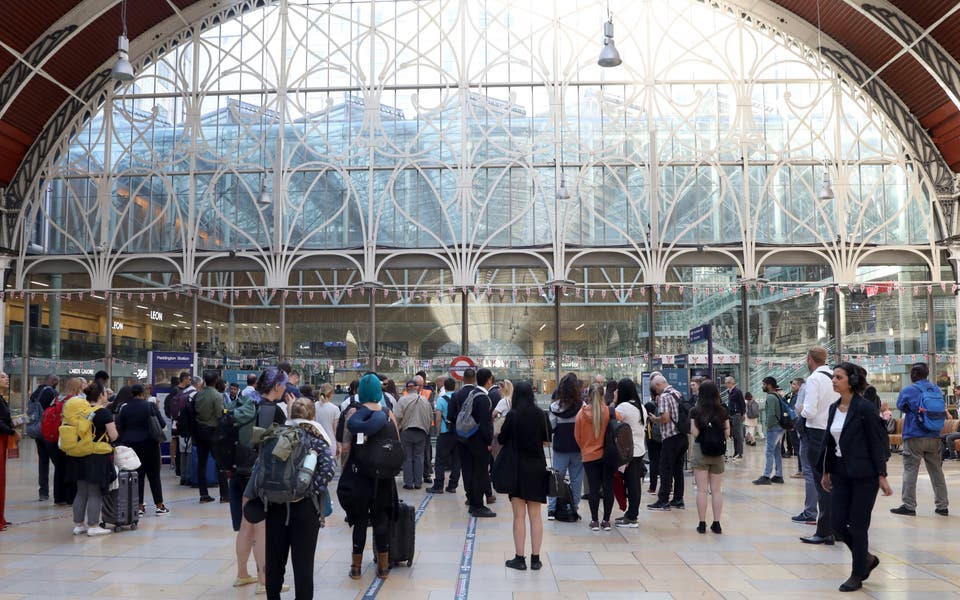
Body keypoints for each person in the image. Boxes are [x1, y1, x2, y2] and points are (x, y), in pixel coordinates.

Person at [821, 362, 893, 592]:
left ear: (851, 381)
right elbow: (830, 442)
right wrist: (826, 471)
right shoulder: (833, 408)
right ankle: (867, 559)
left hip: (864, 475)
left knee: (859, 526)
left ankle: (856, 574)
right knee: (838, 523)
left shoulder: (864, 408)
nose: (833, 380)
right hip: (841, 472)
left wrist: (881, 475)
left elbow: (876, 442)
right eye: (833, 376)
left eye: (838, 377)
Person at [260, 397, 333, 600]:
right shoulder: (316, 438)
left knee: (275, 563)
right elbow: (328, 470)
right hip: (305, 509)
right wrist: (307, 490)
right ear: (312, 415)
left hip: (275, 506)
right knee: (303, 566)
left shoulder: (276, 436)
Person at [230, 367, 288, 592]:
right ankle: (265, 581)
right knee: (263, 528)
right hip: (260, 474)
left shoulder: (248, 403)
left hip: (238, 470)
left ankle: (242, 574)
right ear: (276, 386)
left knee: (246, 525)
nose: (284, 389)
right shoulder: (274, 410)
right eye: (282, 384)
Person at [339, 373, 400, 580]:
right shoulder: (388, 412)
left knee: (360, 520)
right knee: (381, 518)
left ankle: (356, 567)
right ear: (378, 391)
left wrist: (344, 471)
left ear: (360, 392)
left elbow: (345, 447)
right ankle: (383, 567)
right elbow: (397, 443)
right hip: (383, 477)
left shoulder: (353, 413)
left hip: (359, 476)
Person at [498, 381, 550, 570]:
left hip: (517, 468)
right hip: (537, 468)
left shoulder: (513, 415)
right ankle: (536, 559)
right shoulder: (540, 414)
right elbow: (547, 441)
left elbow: (501, 439)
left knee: (518, 516)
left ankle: (519, 559)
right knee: (535, 516)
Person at [891, 362, 949, 516]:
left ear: (914, 375)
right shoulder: (936, 389)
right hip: (934, 436)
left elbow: (900, 406)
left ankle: (909, 506)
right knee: (937, 471)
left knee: (911, 470)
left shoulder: (909, 390)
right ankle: (942, 506)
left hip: (914, 436)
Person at [66, 382, 118, 537]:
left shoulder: (81, 410)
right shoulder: (103, 412)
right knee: (95, 492)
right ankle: (94, 525)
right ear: (102, 395)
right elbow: (114, 435)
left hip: (78, 454)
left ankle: (78, 525)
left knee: (81, 492)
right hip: (97, 456)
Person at [800, 346, 839, 545]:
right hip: (836, 433)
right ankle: (838, 528)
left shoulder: (814, 379)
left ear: (810, 360)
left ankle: (824, 531)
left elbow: (809, 411)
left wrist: (800, 412)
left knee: (821, 482)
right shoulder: (835, 376)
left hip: (817, 434)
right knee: (834, 482)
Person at [115, 383, 169, 516]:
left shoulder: (125, 408)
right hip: (150, 444)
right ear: (143, 393)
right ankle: (159, 505)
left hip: (131, 447)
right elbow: (161, 424)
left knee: (136, 476)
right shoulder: (150, 406)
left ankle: (139, 506)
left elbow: (120, 427)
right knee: (154, 475)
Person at [453, 368, 497, 517]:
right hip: (478, 442)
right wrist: (488, 442)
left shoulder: (471, 394)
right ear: (489, 380)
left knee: (469, 472)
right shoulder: (483, 398)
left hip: (465, 439)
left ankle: (472, 502)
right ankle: (478, 505)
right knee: (480, 472)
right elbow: (485, 424)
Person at [575, 383, 619, 531]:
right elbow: (620, 425)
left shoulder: (581, 414)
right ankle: (606, 521)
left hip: (589, 456)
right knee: (608, 487)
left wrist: (586, 448)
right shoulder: (609, 411)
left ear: (588, 395)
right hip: (608, 455)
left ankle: (594, 521)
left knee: (593, 488)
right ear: (603, 395)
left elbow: (578, 437)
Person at [689, 380, 729, 534]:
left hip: (701, 452)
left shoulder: (695, 411)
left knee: (702, 490)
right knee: (717, 490)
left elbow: (695, 433)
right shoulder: (722, 411)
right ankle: (717, 523)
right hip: (718, 453)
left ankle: (701, 523)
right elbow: (727, 433)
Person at [648, 374, 688, 511]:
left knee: (665, 468)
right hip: (682, 436)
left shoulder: (665, 396)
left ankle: (663, 500)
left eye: (655, 389)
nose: (656, 392)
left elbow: (665, 418)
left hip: (670, 438)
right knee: (678, 469)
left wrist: (655, 419)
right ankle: (678, 499)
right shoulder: (677, 393)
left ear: (659, 385)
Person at [547, 373, 584, 520]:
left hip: (560, 448)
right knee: (576, 479)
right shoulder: (583, 407)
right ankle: (573, 507)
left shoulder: (555, 407)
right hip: (578, 448)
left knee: (556, 478)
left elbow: (551, 426)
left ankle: (552, 509)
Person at [613, 378, 647, 528]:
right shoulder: (641, 406)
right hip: (639, 449)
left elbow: (611, 418)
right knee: (634, 483)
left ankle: (632, 517)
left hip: (628, 452)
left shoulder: (624, 407)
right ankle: (631, 514)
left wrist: (614, 401)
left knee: (631, 484)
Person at [193, 371, 228, 503]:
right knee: (220, 463)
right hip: (213, 431)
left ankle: (203, 495)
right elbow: (220, 415)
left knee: (201, 464)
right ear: (216, 381)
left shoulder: (198, 394)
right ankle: (224, 494)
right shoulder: (217, 396)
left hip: (199, 431)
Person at [396, 379, 433, 489]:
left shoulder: (402, 400)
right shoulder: (424, 401)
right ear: (417, 388)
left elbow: (397, 417)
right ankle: (418, 483)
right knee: (419, 457)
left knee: (407, 457)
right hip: (421, 431)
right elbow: (430, 417)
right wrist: (426, 430)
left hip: (407, 431)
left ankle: (409, 483)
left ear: (407, 388)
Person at [28, 374, 59, 501]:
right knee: (58, 461)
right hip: (48, 431)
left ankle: (43, 492)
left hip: (37, 430)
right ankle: (60, 491)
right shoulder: (52, 392)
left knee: (43, 461)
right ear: (53, 381)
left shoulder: (35, 393)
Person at [429, 377, 460, 494]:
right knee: (456, 460)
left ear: (444, 387)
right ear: (455, 386)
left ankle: (438, 485)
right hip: (457, 433)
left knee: (440, 460)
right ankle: (452, 485)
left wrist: (437, 432)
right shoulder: (459, 398)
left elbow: (438, 418)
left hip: (445, 432)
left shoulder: (442, 400)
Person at [753, 376, 785, 485]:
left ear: (769, 385)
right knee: (776, 451)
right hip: (780, 428)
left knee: (769, 452)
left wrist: (768, 427)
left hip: (774, 428)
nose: (763, 386)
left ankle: (766, 476)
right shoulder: (777, 395)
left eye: (764, 384)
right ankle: (778, 475)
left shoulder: (771, 397)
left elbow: (771, 414)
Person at [0, 372, 20, 531]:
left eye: (6, 377)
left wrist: (13, 425)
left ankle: (1, 516)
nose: (6, 379)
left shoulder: (2, 399)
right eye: (2, 377)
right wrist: (11, 431)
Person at [314, 383, 341, 458]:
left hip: (315, 442)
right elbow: (335, 430)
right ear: (331, 394)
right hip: (330, 442)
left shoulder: (313, 406)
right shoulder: (335, 409)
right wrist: (339, 445)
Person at [724, 377, 745, 459]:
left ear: (731, 383)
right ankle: (736, 451)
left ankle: (739, 452)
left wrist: (742, 414)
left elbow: (742, 403)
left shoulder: (737, 391)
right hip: (731, 415)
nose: (726, 384)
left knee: (738, 434)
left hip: (737, 414)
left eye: (727, 382)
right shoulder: (730, 392)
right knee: (735, 434)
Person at [644, 400, 662, 494]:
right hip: (662, 437)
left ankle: (652, 487)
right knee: (664, 462)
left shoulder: (648, 405)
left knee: (653, 462)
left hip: (652, 438)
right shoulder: (662, 407)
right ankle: (668, 486)